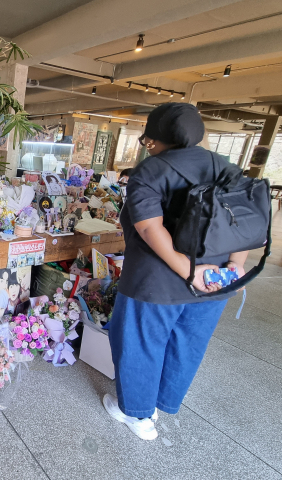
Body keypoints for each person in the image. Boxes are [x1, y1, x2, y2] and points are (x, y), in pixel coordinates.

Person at [103, 103, 247, 441]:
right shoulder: (228, 168)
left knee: (140, 342)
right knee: (188, 342)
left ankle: (136, 413)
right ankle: (159, 403)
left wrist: (189, 271)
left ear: (153, 139)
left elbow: (151, 229)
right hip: (216, 281)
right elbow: (249, 222)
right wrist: (236, 266)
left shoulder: (151, 171)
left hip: (156, 282)